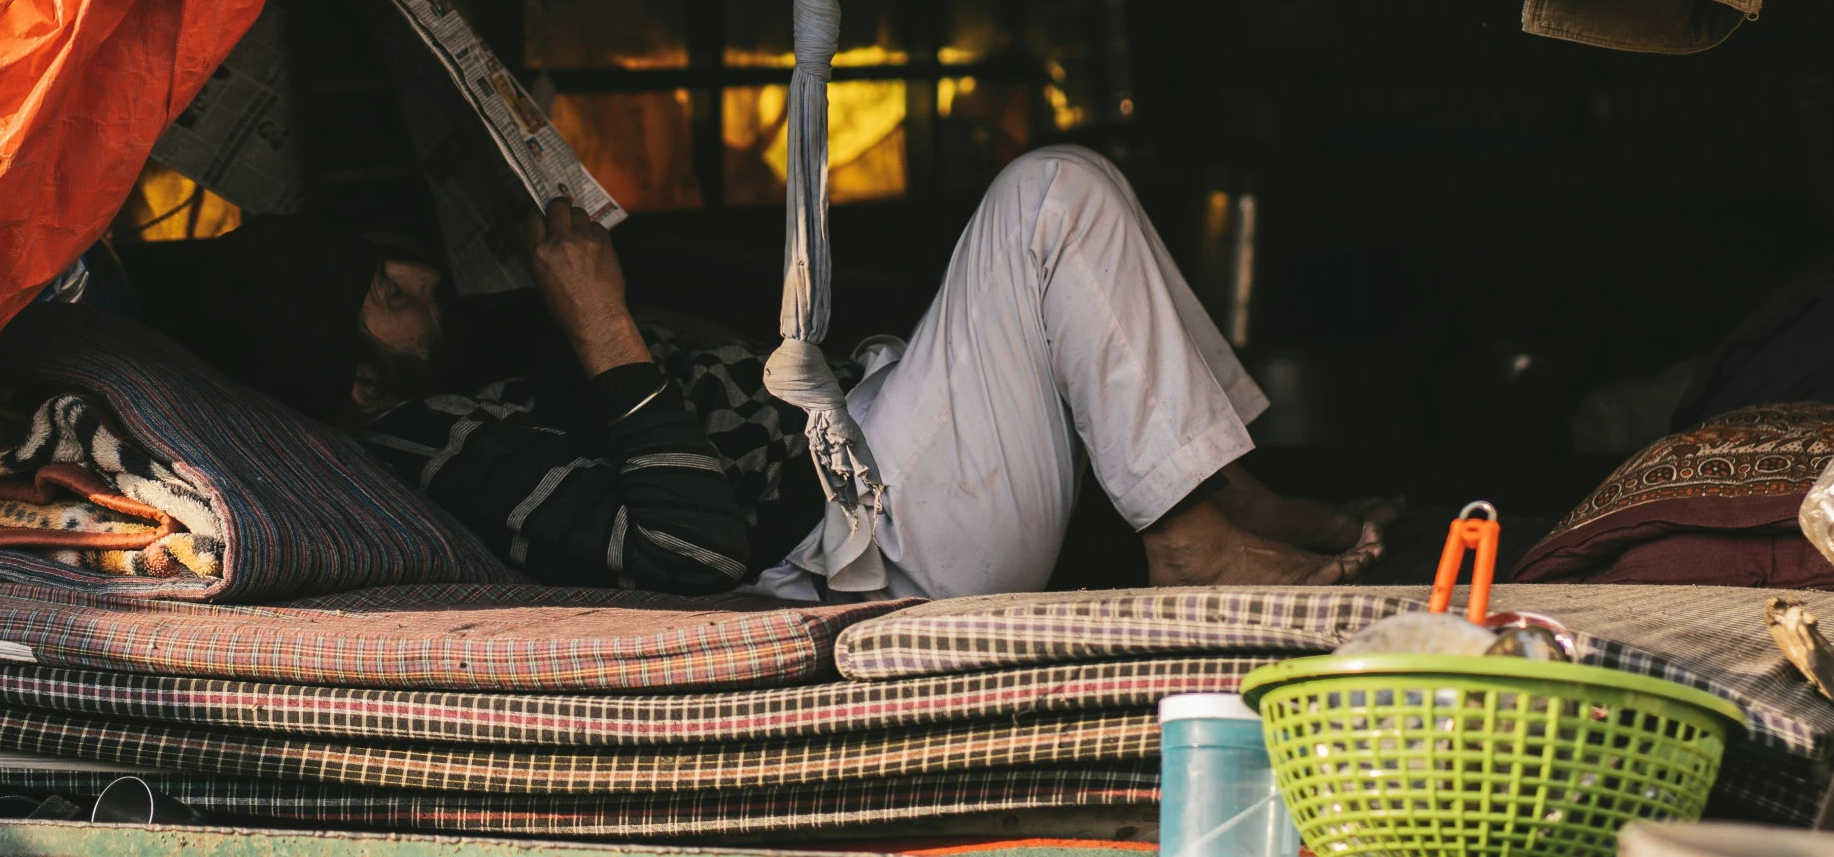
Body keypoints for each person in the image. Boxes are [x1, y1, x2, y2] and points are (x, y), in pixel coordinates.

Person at [155, 146, 1389, 600]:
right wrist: (601, 333)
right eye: (385, 300)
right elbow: (694, 557)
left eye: (397, 269)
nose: (417, 283)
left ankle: (1220, 502)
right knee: (1048, 197)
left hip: (876, 450)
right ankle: (1188, 536)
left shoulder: (485, 355)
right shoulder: (428, 443)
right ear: (354, 380)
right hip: (865, 541)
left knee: (1068, 203)